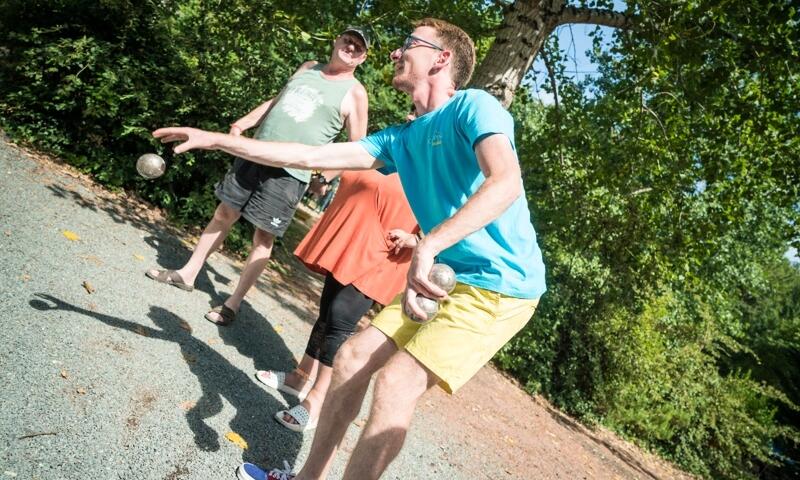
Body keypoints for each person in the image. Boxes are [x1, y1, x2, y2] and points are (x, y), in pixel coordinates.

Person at [154, 17, 547, 480]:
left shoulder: (473, 107)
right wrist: (217, 140)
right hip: (448, 280)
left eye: (409, 45)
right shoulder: (402, 138)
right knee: (353, 358)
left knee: (397, 383)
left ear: (441, 59)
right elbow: (307, 156)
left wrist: (428, 245)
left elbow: (505, 183)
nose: (396, 53)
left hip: (500, 288)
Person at [146, 27, 370, 326]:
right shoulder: (308, 68)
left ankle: (232, 303)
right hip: (254, 154)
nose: (351, 48)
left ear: (363, 58)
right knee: (224, 212)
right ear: (336, 40)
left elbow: (357, 148)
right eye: (348, 40)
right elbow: (277, 101)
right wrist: (245, 122)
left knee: (263, 237)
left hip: (291, 173)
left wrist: (326, 176)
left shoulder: (355, 93)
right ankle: (187, 273)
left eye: (358, 47)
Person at [255, 169, 418, 433]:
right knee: (327, 311)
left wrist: (418, 239)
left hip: (388, 250)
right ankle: (300, 377)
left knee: (341, 318)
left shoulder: (444, 155)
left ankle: (317, 400)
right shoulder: (397, 143)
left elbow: (454, 213)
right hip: (355, 237)